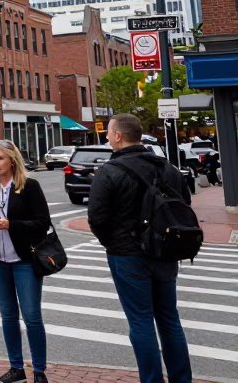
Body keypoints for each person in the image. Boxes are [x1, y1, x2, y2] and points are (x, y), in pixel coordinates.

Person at [88, 113, 192, 383]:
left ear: (119, 136)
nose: (107, 137)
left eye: (109, 133)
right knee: (169, 319)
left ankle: (152, 379)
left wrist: (113, 243)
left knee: (141, 321)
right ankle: (182, 379)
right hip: (166, 252)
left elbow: (97, 218)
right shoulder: (166, 167)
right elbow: (185, 203)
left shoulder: (110, 171)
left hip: (128, 255)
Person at [0, 140, 52, 383]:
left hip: (24, 261)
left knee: (32, 316)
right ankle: (16, 367)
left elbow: (42, 223)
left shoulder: (30, 187)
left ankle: (39, 371)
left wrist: (12, 225)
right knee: (8, 316)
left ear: (12, 160)